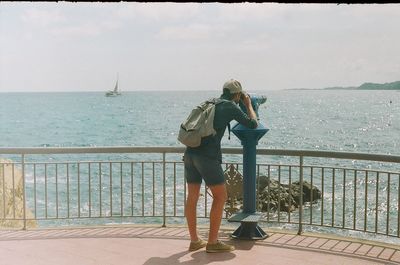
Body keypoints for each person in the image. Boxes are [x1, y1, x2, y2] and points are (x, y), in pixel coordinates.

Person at [183, 79, 258, 253]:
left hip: (190, 153)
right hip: (207, 157)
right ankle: (213, 242)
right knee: (220, 196)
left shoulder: (210, 102)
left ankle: (195, 240)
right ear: (237, 94)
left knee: (192, 196)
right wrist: (248, 105)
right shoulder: (230, 106)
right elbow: (252, 124)